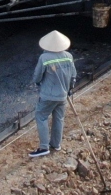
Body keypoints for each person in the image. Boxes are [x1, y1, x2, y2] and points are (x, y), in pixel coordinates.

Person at [29, 29, 76, 158]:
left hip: (48, 95)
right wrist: (70, 89)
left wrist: (38, 83)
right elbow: (73, 76)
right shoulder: (68, 57)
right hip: (63, 96)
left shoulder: (44, 57)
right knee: (59, 118)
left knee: (41, 116)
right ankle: (56, 144)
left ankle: (44, 147)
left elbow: (37, 76)